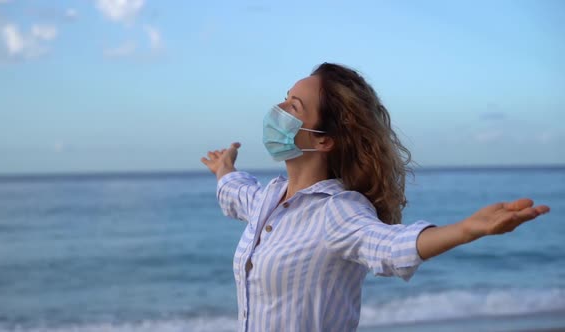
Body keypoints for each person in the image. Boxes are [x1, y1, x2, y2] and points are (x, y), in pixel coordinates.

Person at [200, 62, 550, 332]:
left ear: (324, 140)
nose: (277, 108)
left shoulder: (337, 211)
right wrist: (223, 169)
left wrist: (466, 229)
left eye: (293, 106)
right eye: (285, 97)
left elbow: (388, 247)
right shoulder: (270, 199)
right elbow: (238, 193)